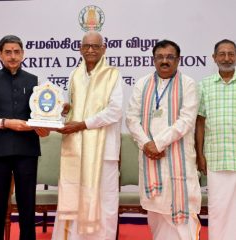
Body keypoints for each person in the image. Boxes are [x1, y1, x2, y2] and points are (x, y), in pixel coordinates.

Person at [0, 35, 49, 240]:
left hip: (27, 150)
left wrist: (45, 127)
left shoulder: (36, 81)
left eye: (16, 52)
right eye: (8, 52)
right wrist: (5, 123)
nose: (12, 56)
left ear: (23, 54)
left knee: (27, 205)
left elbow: (43, 114)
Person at [126, 40, 201, 239]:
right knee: (157, 216)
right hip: (150, 159)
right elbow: (131, 118)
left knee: (183, 214)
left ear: (178, 60)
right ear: (154, 60)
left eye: (169, 57)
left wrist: (157, 144)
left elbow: (186, 120)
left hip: (179, 160)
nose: (164, 61)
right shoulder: (143, 83)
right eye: (160, 57)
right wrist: (146, 144)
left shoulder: (188, 84)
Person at [51, 31, 123, 240]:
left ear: (103, 49)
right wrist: (65, 110)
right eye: (86, 46)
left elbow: (115, 111)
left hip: (104, 153)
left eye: (95, 46)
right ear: (80, 49)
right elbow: (73, 107)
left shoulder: (113, 74)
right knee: (74, 197)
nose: (90, 50)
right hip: (76, 149)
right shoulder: (75, 75)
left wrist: (83, 124)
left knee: (103, 202)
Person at [195, 39, 236, 240]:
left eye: (231, 54)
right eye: (222, 54)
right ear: (214, 58)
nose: (227, 58)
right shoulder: (204, 86)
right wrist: (199, 154)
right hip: (216, 156)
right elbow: (200, 122)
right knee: (218, 208)